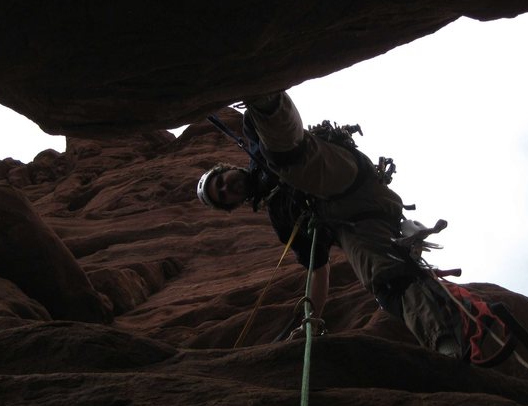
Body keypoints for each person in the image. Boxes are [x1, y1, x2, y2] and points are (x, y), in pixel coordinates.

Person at [197, 91, 462, 356]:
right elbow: (317, 269)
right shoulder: (281, 220)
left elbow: (254, 124)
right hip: (357, 221)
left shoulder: (254, 143)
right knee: (383, 278)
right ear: (233, 204)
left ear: (226, 168)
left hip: (345, 175)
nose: (226, 187)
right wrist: (310, 319)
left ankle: (265, 95)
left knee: (288, 160)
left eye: (220, 181)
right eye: (223, 196)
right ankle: (446, 342)